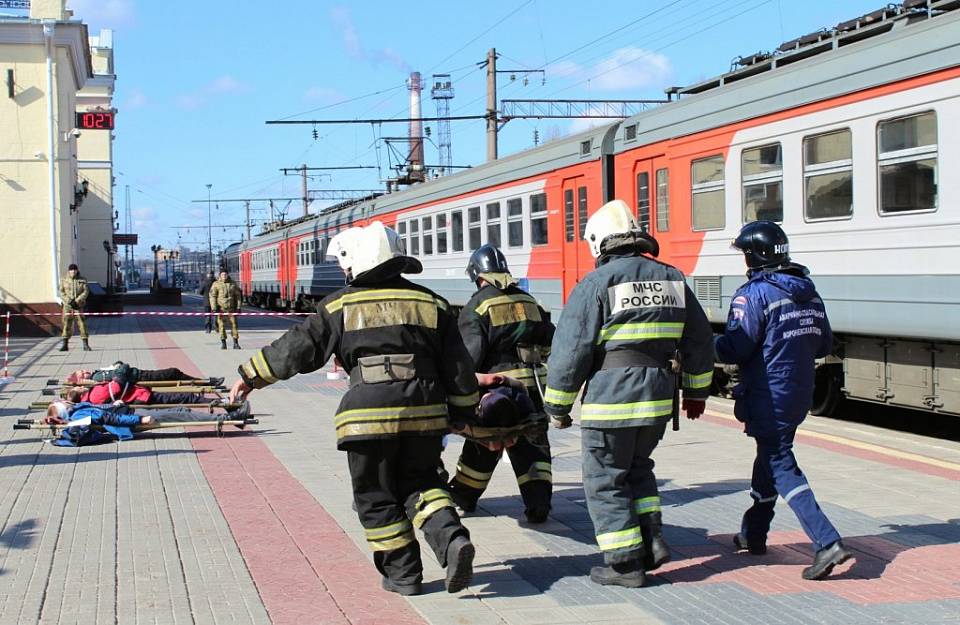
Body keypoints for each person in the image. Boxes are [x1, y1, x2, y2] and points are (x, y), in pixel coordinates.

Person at [227, 221, 479, 596]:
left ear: (355, 264)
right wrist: (462, 415)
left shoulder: (338, 304)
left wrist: (251, 376)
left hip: (366, 417)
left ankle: (404, 575)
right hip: (424, 412)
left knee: (376, 497)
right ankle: (451, 538)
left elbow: (298, 349)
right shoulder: (433, 303)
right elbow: (458, 369)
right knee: (424, 481)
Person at [542, 200, 714, 588]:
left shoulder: (596, 284)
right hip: (658, 399)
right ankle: (652, 541)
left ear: (598, 243)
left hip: (612, 399)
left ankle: (623, 564)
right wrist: (697, 393)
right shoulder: (672, 277)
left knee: (604, 478)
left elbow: (571, 351)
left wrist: (557, 404)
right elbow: (701, 340)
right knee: (637, 467)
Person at [715, 220, 852, 581]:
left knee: (780, 463)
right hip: (798, 392)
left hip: (768, 395)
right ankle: (754, 532)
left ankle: (827, 541)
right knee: (770, 456)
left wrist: (704, 347)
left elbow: (736, 346)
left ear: (754, 256)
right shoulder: (808, 291)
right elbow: (823, 345)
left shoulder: (754, 294)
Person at [449, 244, 556, 523]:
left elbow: (469, 357)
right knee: (534, 446)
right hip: (533, 389)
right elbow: (550, 341)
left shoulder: (477, 305)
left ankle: (463, 496)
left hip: (498, 390)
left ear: (477, 275)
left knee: (484, 444)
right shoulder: (530, 301)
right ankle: (539, 504)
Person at [44, 399, 251, 446]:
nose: (64, 400)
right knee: (182, 413)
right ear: (63, 409)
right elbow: (110, 419)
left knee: (180, 411)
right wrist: (140, 419)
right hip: (132, 418)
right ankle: (230, 418)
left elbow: (106, 412)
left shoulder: (77, 410)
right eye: (61, 402)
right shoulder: (78, 416)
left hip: (130, 412)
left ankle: (232, 418)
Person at [66, 362, 223, 387]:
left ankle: (204, 381)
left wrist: (119, 365)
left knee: (174, 373)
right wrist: (122, 366)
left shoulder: (97, 372)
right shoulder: (97, 378)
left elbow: (118, 367)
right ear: (82, 380)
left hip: (139, 374)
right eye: (83, 374)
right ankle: (205, 382)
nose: (86, 371)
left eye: (83, 370)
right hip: (140, 377)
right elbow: (121, 372)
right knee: (173, 372)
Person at [67, 382, 214, 406]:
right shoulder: (95, 394)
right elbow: (118, 386)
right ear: (80, 395)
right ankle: (209, 402)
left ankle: (206, 400)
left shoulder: (91, 396)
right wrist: (120, 375)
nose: (81, 387)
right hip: (140, 396)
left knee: (178, 397)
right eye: (78, 388)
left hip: (139, 395)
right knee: (182, 397)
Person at [59, 263, 90, 352]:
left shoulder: (82, 280)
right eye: (71, 270)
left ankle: (85, 344)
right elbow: (61, 292)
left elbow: (86, 291)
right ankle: (65, 344)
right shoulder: (64, 280)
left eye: (75, 270)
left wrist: (77, 301)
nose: (73, 271)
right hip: (68, 306)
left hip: (78, 306)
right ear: (69, 271)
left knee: (82, 324)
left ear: (77, 270)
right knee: (66, 324)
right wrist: (69, 301)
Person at [209, 269, 242, 350]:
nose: (224, 276)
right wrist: (214, 308)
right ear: (220, 275)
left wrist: (238, 307)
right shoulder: (216, 284)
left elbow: (238, 296)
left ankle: (236, 343)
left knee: (234, 326)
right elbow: (212, 296)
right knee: (221, 326)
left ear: (227, 275)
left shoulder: (233, 284)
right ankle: (224, 343)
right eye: (222, 275)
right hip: (221, 309)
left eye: (225, 275)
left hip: (231, 309)